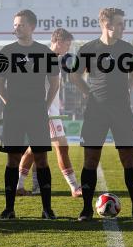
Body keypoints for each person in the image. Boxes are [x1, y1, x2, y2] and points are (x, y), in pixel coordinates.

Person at [69, 8, 133, 221]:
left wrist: (128, 89)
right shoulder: (87, 49)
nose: (123, 28)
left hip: (122, 112)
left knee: (129, 159)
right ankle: (86, 209)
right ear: (107, 25)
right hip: (96, 112)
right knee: (90, 160)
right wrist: (88, 93)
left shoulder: (128, 49)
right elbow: (74, 75)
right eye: (120, 24)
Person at [0, 9, 59, 219]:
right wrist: (9, 104)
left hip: (37, 112)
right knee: (12, 160)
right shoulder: (5, 52)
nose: (17, 28)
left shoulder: (45, 52)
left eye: (21, 24)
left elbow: (55, 83)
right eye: (15, 25)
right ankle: (9, 209)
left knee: (41, 159)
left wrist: (44, 106)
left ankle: (47, 209)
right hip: (14, 113)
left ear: (32, 26)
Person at [16, 28, 83, 199]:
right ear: (58, 42)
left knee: (33, 150)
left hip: (46, 110)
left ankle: (18, 185)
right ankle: (75, 187)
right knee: (62, 148)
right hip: (46, 112)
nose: (68, 49)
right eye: (67, 45)